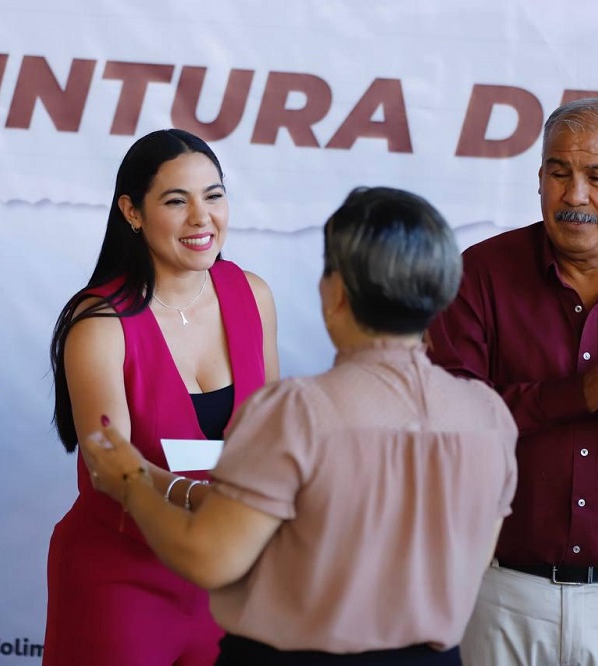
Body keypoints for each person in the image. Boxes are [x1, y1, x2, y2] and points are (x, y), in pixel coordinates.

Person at [79, 186, 518, 665]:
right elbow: (466, 562)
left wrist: (132, 482)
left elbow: (206, 557)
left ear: (335, 293)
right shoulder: (488, 416)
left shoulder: (296, 412)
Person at [427, 98, 598, 665]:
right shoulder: (478, 275)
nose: (575, 196)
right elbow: (447, 421)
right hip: (504, 591)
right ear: (540, 176)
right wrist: (581, 391)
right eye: (559, 173)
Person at [44, 128, 279, 665]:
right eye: (177, 201)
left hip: (230, 577)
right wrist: (198, 500)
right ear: (132, 211)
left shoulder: (254, 295)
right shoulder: (101, 321)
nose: (202, 218)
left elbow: (269, 435)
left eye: (214, 195)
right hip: (123, 576)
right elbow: (108, 465)